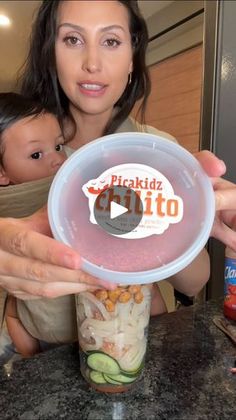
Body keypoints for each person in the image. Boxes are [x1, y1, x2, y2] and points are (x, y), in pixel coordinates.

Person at [1, 0, 236, 361]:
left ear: (131, 58)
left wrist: (188, 214)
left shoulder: (162, 153)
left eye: (111, 41)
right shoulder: (22, 153)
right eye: (73, 40)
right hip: (42, 360)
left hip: (133, 346)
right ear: (51, 55)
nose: (92, 63)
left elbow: (195, 281)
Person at [0, 92, 68, 356]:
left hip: (40, 320)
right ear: (2, 173)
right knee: (14, 311)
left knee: (14, 313)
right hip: (38, 317)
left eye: (59, 146)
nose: (57, 159)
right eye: (37, 154)